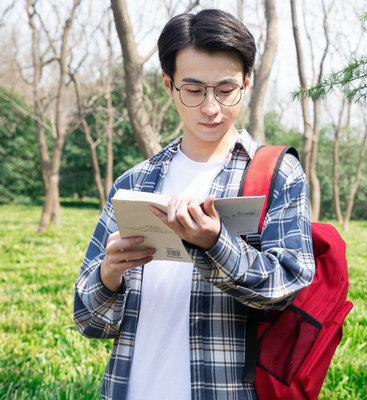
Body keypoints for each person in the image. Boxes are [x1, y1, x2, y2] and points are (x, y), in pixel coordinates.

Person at [73, 8, 315, 400]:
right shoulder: (134, 182)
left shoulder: (278, 174)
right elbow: (88, 321)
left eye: (225, 89)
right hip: (131, 387)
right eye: (194, 89)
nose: (210, 107)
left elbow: (287, 286)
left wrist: (216, 242)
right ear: (169, 85)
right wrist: (108, 275)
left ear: (247, 82)